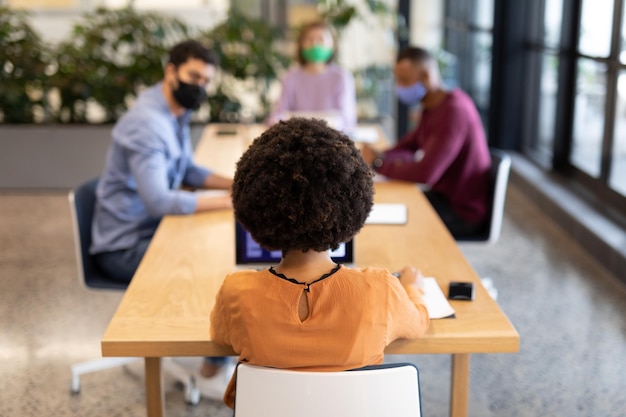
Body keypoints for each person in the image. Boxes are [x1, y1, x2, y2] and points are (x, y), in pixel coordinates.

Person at [210, 117, 430, 408]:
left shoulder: (236, 291)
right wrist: (413, 289)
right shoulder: (381, 289)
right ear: (355, 202)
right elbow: (418, 324)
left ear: (252, 204)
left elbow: (220, 335)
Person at [90, 39, 233, 400]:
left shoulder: (174, 111)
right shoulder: (148, 122)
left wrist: (237, 183)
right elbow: (157, 200)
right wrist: (230, 202)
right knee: (209, 270)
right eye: (193, 76)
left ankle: (212, 356)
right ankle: (212, 367)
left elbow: (188, 170)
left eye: (205, 80)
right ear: (171, 72)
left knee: (216, 249)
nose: (199, 86)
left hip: (150, 230)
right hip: (122, 245)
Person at [361, 46, 492, 239]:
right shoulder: (432, 105)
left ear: (427, 76)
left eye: (405, 80)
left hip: (461, 211)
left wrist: (379, 164)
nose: (400, 87)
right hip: (441, 197)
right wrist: (381, 155)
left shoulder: (454, 110)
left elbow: (426, 173)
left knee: (389, 228)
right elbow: (411, 144)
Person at [266, 20, 357, 132]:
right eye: (309, 39)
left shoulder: (341, 77)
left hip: (331, 140)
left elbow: (347, 119)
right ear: (301, 45)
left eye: (321, 39)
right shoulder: (290, 77)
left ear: (332, 45)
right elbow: (278, 114)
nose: (315, 44)